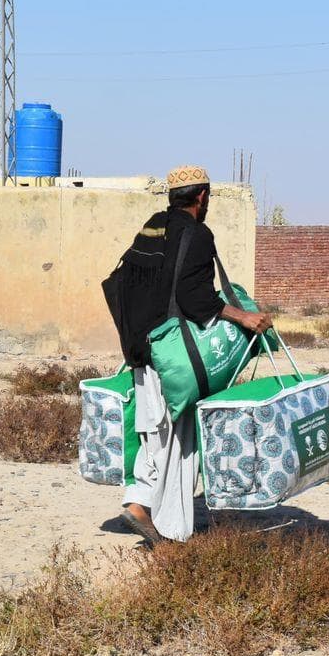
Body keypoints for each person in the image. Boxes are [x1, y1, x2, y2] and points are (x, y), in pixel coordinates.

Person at [119, 167, 273, 545]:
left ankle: (139, 501)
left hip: (143, 348)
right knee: (179, 439)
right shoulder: (197, 234)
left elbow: (125, 284)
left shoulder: (153, 227)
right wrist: (244, 317)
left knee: (153, 430)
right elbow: (195, 297)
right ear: (202, 196)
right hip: (174, 352)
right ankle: (172, 534)